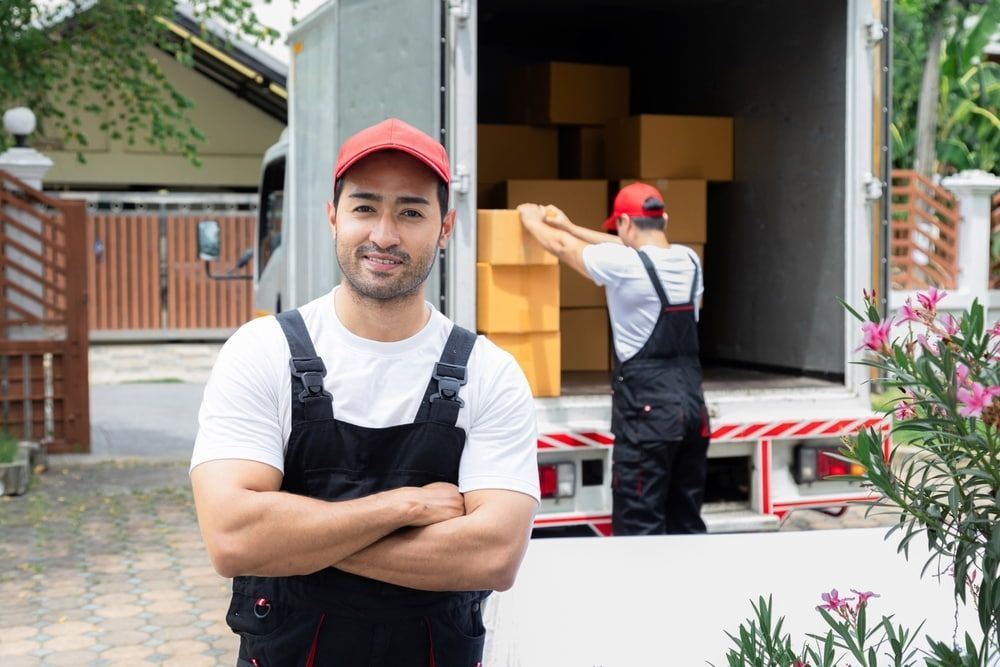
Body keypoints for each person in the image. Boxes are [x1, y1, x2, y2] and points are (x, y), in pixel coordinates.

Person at [191, 118, 540, 666]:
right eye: (364, 207)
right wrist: (405, 505)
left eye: (410, 211)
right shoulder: (262, 352)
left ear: (445, 227)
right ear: (333, 217)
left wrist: (299, 538)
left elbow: (495, 556)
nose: (384, 234)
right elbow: (234, 539)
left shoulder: (488, 373)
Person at [517, 182, 710, 536]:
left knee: (640, 524)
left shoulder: (622, 264)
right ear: (663, 219)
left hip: (648, 416)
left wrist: (532, 221)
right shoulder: (689, 260)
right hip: (692, 411)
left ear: (624, 223)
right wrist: (571, 225)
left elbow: (563, 248)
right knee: (686, 519)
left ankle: (642, 592)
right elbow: (623, 247)